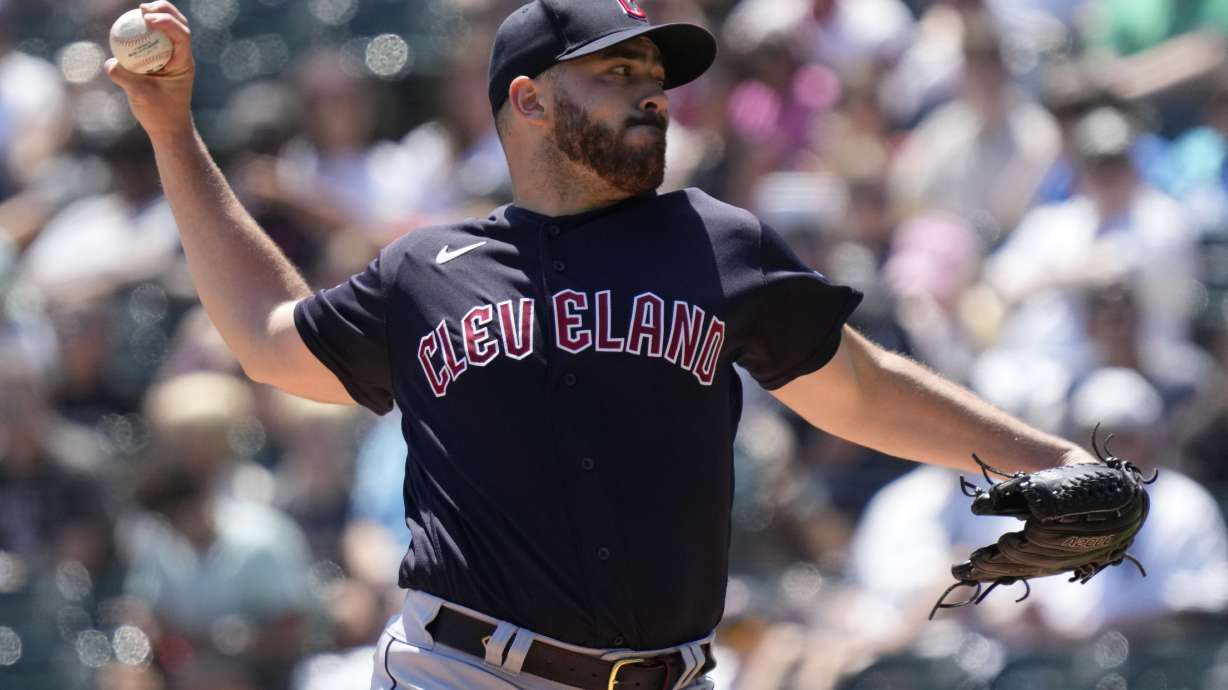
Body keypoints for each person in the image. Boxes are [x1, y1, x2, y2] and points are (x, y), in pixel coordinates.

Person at [105, 2, 1116, 688]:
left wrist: (1052, 464)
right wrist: (169, 130)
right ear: (528, 100)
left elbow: (856, 388)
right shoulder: (427, 269)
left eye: (653, 73)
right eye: (615, 70)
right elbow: (269, 342)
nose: (649, 91)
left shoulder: (717, 241)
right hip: (464, 672)